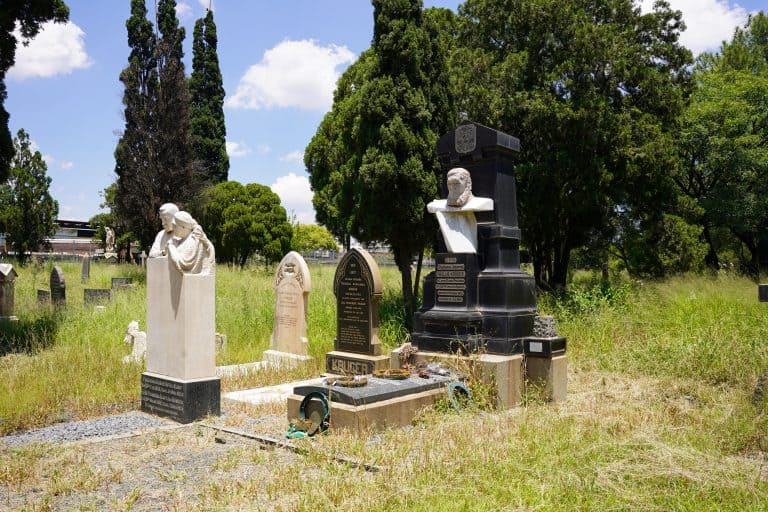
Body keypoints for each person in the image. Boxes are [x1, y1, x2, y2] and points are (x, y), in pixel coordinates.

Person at [427, 168, 493, 253]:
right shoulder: (438, 205)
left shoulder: (480, 203)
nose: (452, 187)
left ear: (468, 184)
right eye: (449, 184)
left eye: (456, 183)